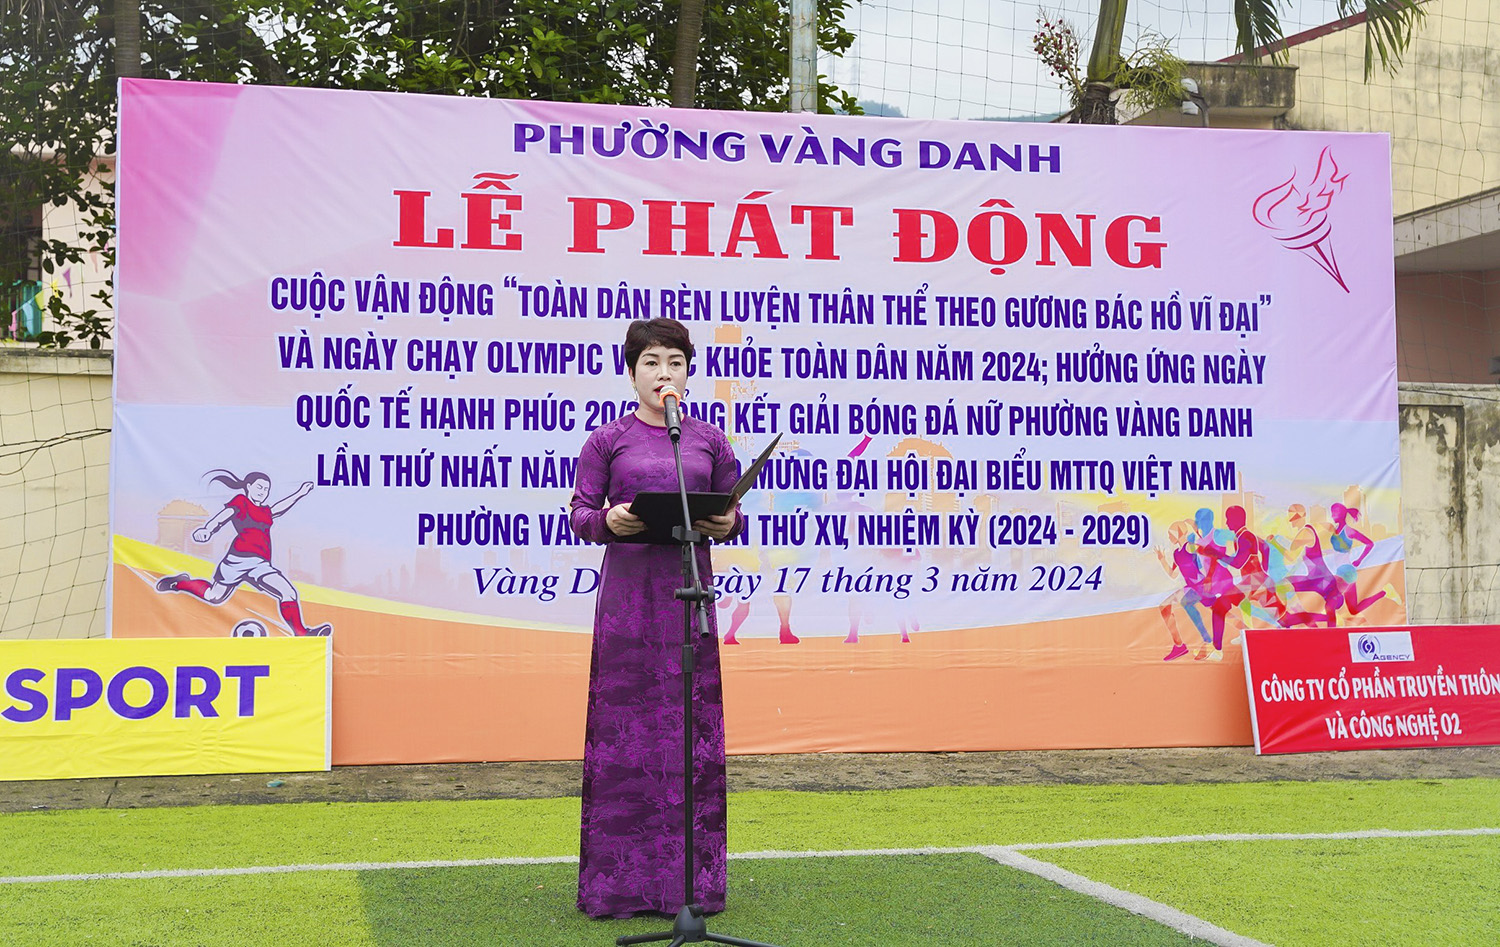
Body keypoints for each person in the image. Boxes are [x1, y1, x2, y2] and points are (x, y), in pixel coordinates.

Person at [568, 318, 744, 919]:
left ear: (688, 373)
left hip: (689, 597)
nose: (663, 373)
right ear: (631, 372)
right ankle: (618, 886)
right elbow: (581, 515)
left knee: (689, 728)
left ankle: (690, 887)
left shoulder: (709, 441)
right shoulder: (606, 441)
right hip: (629, 603)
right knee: (628, 729)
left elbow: (732, 512)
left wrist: (728, 522)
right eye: (651, 362)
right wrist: (608, 520)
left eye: (674, 362)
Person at [156, 469, 331, 637]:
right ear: (248, 486)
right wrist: (208, 529)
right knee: (214, 596)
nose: (263, 492)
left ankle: (301, 633)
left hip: (260, 565)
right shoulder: (241, 502)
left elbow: (279, 508)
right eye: (259, 487)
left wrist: (300, 493)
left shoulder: (265, 511)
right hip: (236, 561)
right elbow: (224, 516)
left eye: (266, 489)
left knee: (288, 593)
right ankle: (182, 583)